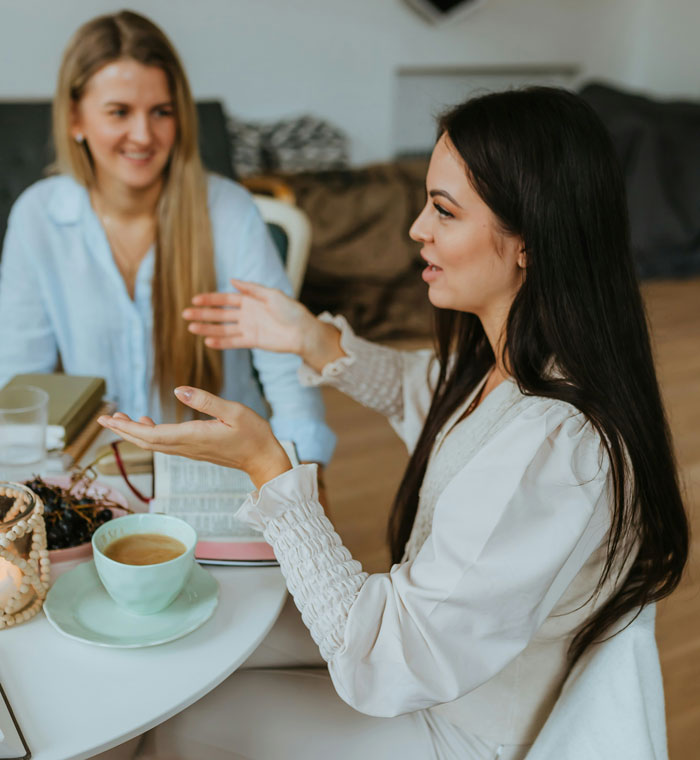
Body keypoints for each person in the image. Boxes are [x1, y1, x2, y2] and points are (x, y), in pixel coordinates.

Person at [98, 87, 689, 760]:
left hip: (456, 724)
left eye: (443, 210)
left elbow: (390, 663)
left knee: (184, 722)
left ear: (528, 241)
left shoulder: (555, 448)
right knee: (191, 630)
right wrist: (312, 338)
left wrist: (270, 470)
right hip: (431, 659)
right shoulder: (517, 364)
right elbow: (430, 397)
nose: (417, 229)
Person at [0, 10, 334, 468]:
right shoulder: (38, 216)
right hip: (100, 475)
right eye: (119, 112)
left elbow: (286, 371)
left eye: (161, 112)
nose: (143, 135)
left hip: (221, 470)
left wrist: (305, 472)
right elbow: (22, 384)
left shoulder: (229, 211)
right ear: (75, 118)